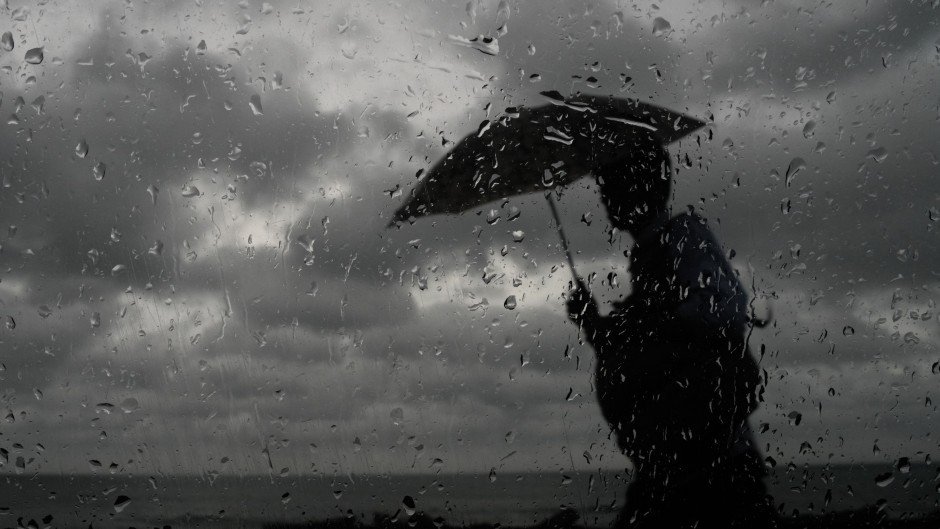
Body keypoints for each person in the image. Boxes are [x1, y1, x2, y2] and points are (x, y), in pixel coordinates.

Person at [566, 134, 776, 528]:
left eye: (612, 184)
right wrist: (593, 322)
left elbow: (726, 310)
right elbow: (647, 352)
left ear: (645, 186)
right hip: (675, 461)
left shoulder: (680, 238)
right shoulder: (652, 256)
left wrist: (648, 319)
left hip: (710, 464)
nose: (605, 198)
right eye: (604, 187)